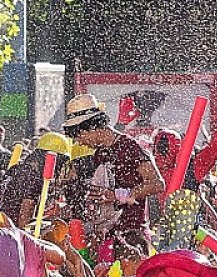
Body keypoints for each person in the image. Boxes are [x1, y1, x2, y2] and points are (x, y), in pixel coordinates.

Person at [62, 94, 164, 243]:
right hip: (108, 236)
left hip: (132, 236)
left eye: (80, 136)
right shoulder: (100, 153)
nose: (80, 143)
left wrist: (121, 195)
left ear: (92, 127)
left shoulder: (129, 146)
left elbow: (157, 184)